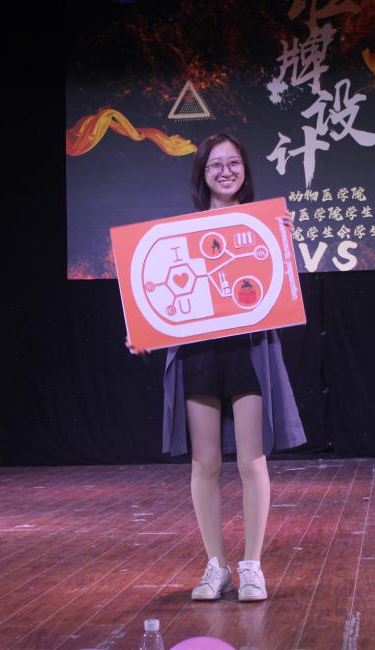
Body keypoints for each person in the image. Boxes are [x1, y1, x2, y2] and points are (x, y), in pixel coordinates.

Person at [127, 133, 306, 602]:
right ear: (202, 174)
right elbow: (157, 293)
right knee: (204, 463)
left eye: (234, 163)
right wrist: (142, 330)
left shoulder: (264, 226)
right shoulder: (179, 234)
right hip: (199, 354)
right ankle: (216, 566)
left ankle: (252, 567)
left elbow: (280, 290)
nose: (226, 172)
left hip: (247, 351)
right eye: (216, 165)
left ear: (245, 169)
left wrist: (282, 243)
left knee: (251, 460)